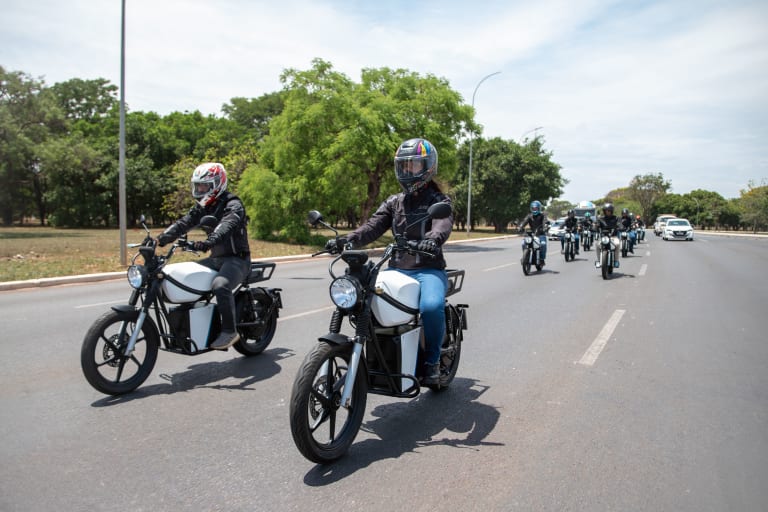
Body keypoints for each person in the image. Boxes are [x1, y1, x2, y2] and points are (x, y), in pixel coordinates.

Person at [326, 138, 453, 386]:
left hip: (427, 270)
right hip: (396, 270)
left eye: (414, 165)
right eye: (404, 166)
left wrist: (432, 240)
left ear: (428, 167)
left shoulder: (439, 201)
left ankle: (432, 361)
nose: (408, 171)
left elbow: (442, 225)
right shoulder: (394, 202)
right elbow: (372, 227)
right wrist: (346, 240)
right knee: (362, 300)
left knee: (430, 306)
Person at [157, 162, 251, 350]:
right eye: (198, 186)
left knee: (220, 285)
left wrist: (208, 242)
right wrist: (161, 239)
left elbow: (226, 226)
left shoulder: (233, 204)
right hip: (216, 259)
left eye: (204, 186)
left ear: (218, 183)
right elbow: (184, 222)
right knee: (186, 277)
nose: (200, 189)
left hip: (237, 259)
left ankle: (229, 331)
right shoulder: (203, 206)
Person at [517, 200, 549, 266]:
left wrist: (545, 227)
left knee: (543, 244)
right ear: (531, 208)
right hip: (532, 234)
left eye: (536, 208)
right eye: (533, 208)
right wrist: (520, 227)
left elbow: (545, 222)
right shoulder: (529, 216)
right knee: (523, 243)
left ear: (539, 208)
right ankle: (525, 257)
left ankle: (542, 259)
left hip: (541, 234)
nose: (534, 209)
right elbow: (524, 222)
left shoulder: (542, 215)